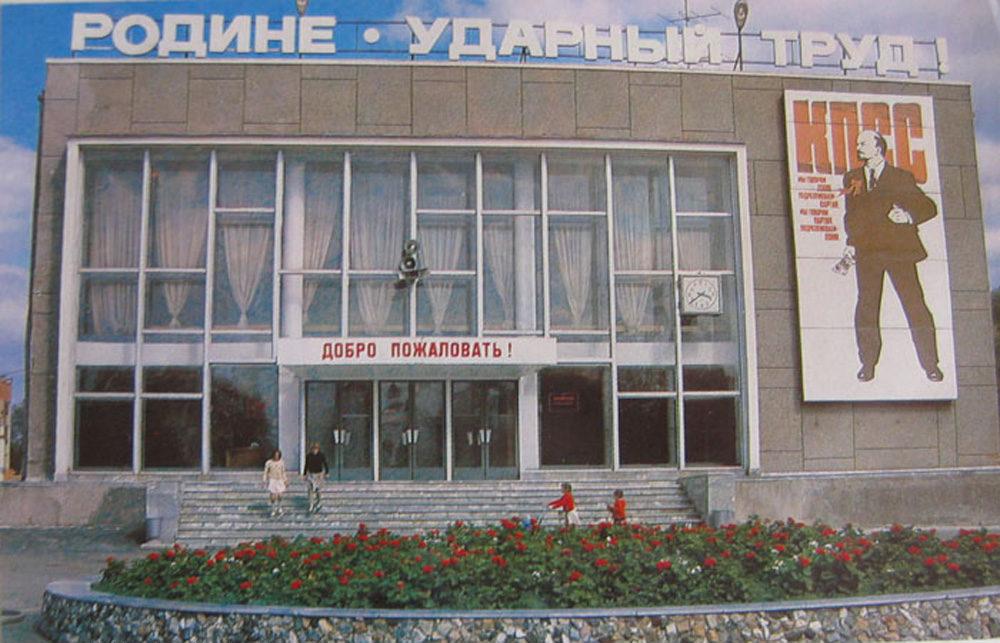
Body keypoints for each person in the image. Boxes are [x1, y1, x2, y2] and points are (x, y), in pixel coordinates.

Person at [840, 129, 942, 383]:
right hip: (868, 252)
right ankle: (867, 364)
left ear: (878, 147)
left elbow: (928, 207)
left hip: (899, 252)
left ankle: (930, 364)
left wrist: (907, 216)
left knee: (914, 304)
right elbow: (851, 214)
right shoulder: (852, 177)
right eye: (857, 143)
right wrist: (851, 243)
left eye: (863, 143)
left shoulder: (900, 177)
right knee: (866, 308)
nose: (858, 147)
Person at [302, 442, 329, 514]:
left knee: (318, 490)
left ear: (318, 449)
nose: (315, 450)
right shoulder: (309, 456)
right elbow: (306, 465)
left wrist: (327, 472)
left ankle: (319, 502)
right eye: (314, 449)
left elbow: (325, 463)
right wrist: (304, 474)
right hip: (311, 474)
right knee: (310, 490)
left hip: (319, 474)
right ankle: (311, 504)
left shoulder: (321, 455)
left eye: (316, 449)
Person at [262, 449, 288, 518]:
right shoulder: (269, 462)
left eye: (278, 455)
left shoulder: (281, 462)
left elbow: (283, 472)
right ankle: (273, 509)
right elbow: (265, 472)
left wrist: (285, 480)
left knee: (280, 495)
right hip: (272, 480)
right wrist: (264, 480)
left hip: (280, 480)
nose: (276, 456)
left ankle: (279, 507)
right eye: (275, 455)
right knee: (273, 496)